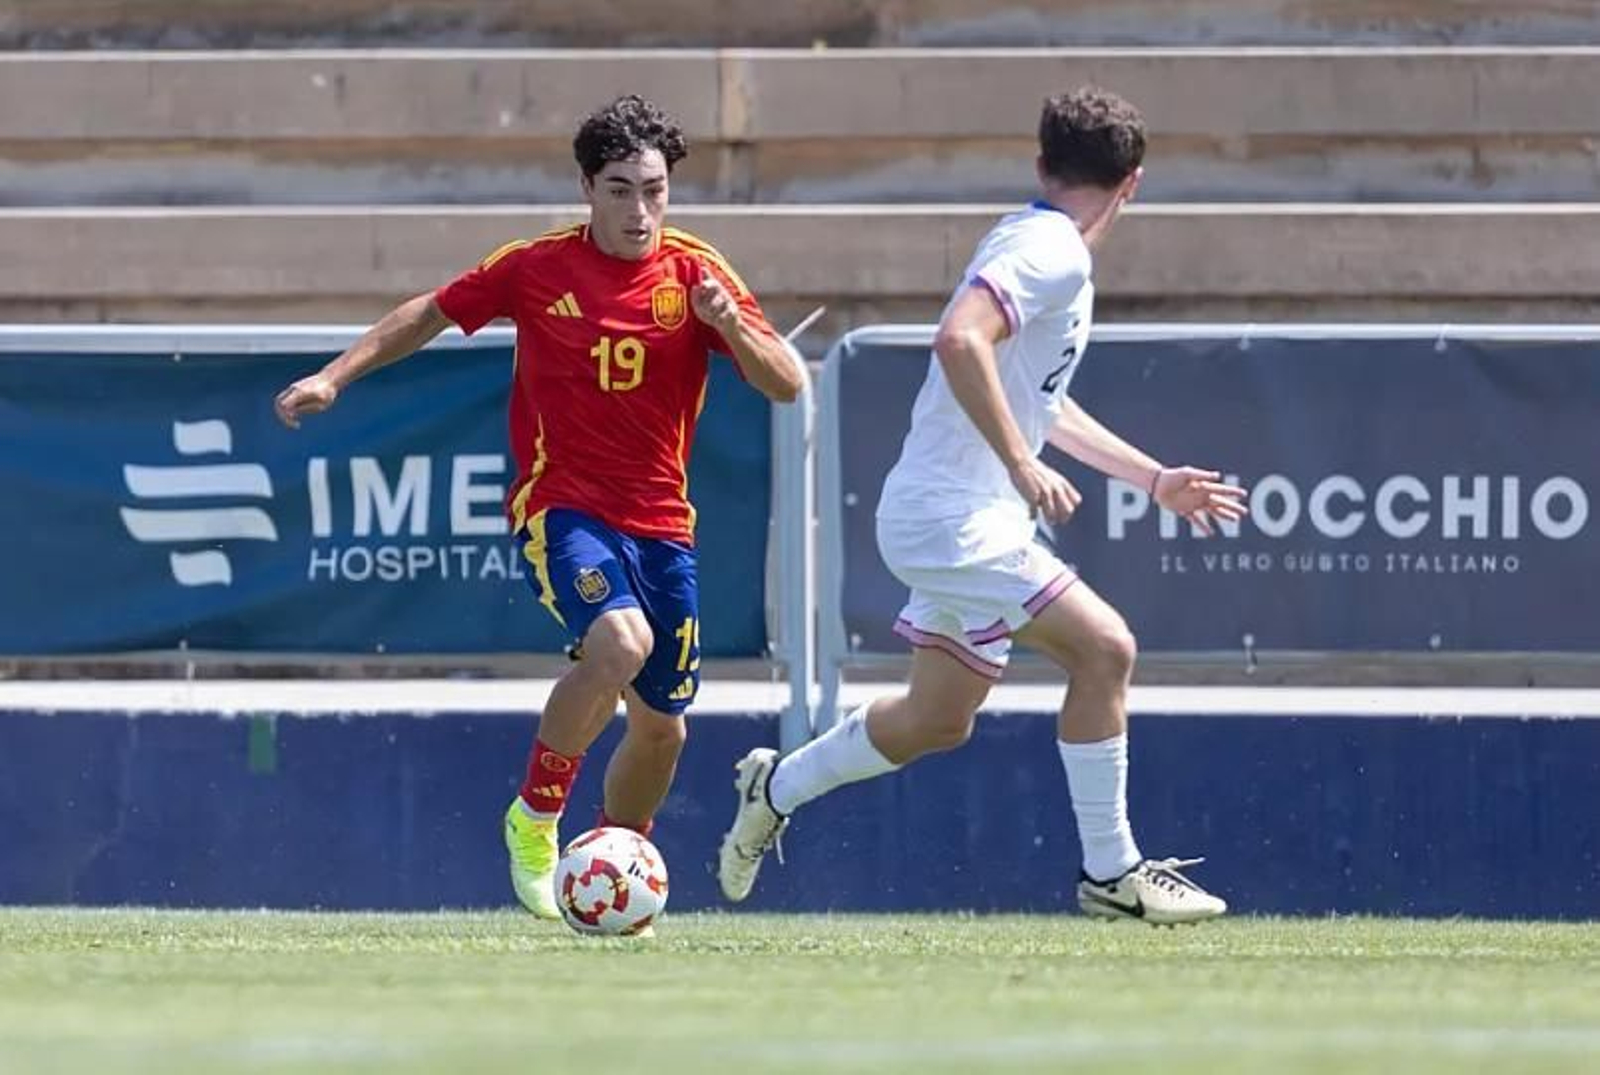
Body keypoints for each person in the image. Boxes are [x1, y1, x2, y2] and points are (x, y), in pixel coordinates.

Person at [717, 86, 1246, 925]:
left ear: (1040, 165)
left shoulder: (1040, 243)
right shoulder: (1054, 251)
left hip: (960, 518)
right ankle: (1114, 871)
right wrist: (1017, 461)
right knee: (1106, 648)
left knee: (937, 718)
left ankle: (774, 785)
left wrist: (1152, 479)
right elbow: (960, 339)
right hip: (951, 518)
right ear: (1134, 184)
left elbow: (1040, 399)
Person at [275, 94, 802, 920]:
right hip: (564, 507)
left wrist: (732, 327)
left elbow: (788, 381)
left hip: (664, 522)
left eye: (656, 189)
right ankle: (537, 814)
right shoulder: (537, 267)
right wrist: (333, 376)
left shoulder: (699, 273)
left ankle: (611, 871)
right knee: (619, 641)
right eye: (622, 189)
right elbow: (429, 313)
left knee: (664, 730)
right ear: (588, 187)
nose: (641, 209)